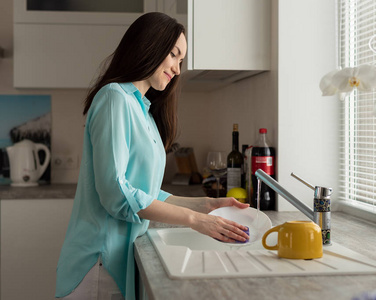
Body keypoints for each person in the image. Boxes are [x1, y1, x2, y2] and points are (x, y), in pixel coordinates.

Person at [55, 12, 249, 300]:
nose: (178, 69)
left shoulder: (142, 110)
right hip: (99, 260)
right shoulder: (114, 98)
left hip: (119, 258)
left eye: (181, 61)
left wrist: (206, 205)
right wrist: (195, 221)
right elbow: (116, 194)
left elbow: (146, 192)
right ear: (150, 45)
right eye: (174, 55)